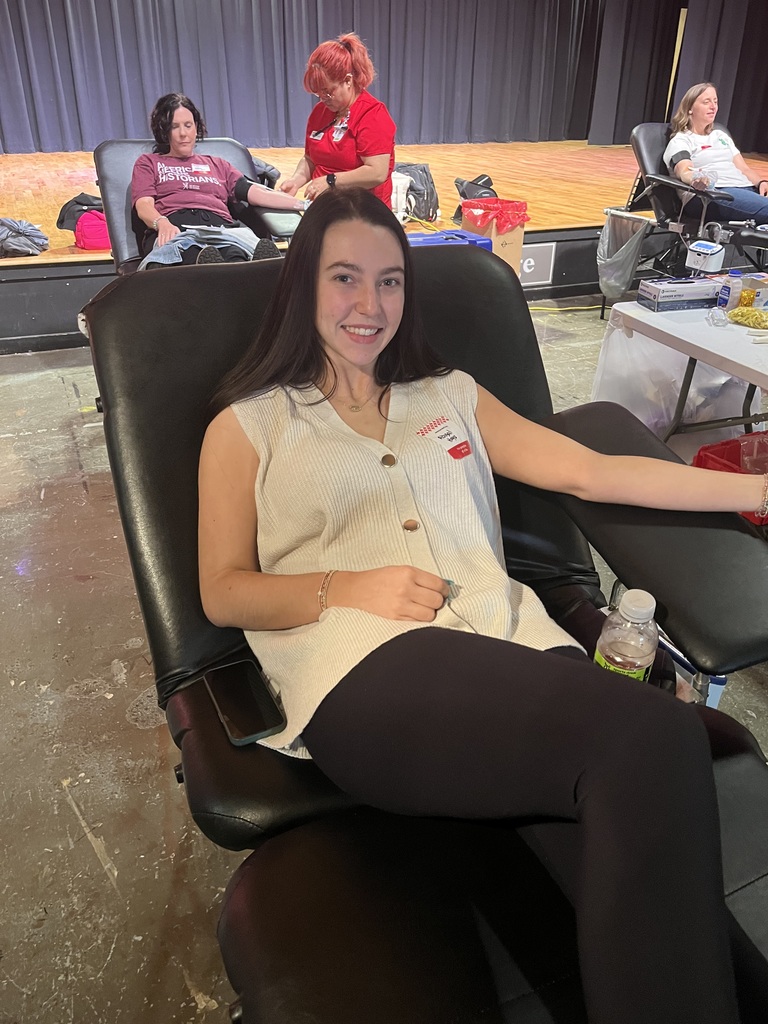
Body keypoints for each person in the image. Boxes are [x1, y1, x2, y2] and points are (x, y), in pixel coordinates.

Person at [197, 187, 763, 1023]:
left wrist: (756, 488)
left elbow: (587, 470)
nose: (370, 304)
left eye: (390, 282)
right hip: (364, 669)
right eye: (344, 278)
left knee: (669, 912)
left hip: (517, 657)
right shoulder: (250, 427)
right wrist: (346, 587)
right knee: (655, 734)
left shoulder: (448, 394)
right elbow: (222, 591)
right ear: (302, 285)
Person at [131, 92, 304, 267]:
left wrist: (303, 205)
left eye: (188, 125)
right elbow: (144, 205)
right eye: (175, 126)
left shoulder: (217, 164)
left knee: (236, 255)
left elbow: (256, 193)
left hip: (222, 231)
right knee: (187, 256)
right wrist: (161, 223)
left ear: (196, 127)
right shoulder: (149, 162)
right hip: (176, 230)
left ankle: (256, 269)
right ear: (164, 130)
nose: (183, 133)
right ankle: (213, 271)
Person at [277, 32, 396, 208]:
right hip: (327, 207)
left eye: (327, 91)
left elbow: (376, 172)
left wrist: (331, 181)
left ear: (348, 80)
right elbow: (310, 159)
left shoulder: (372, 114)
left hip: (363, 211)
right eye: (318, 93)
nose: (322, 98)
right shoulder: (320, 112)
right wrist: (296, 180)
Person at [664, 81, 768, 225]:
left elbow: (744, 169)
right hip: (710, 195)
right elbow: (684, 170)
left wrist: (762, 182)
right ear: (689, 108)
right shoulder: (681, 140)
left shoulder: (720, 136)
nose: (713, 107)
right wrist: (697, 178)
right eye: (706, 102)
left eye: (715, 101)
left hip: (745, 189)